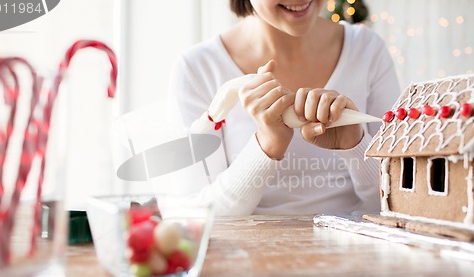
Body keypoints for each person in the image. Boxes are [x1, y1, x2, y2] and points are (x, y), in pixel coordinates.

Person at [167, 0, 400, 216]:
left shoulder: (367, 49)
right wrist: (267, 145)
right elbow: (196, 216)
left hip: (359, 252)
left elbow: (401, 202)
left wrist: (356, 145)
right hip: (248, 255)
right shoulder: (198, 68)